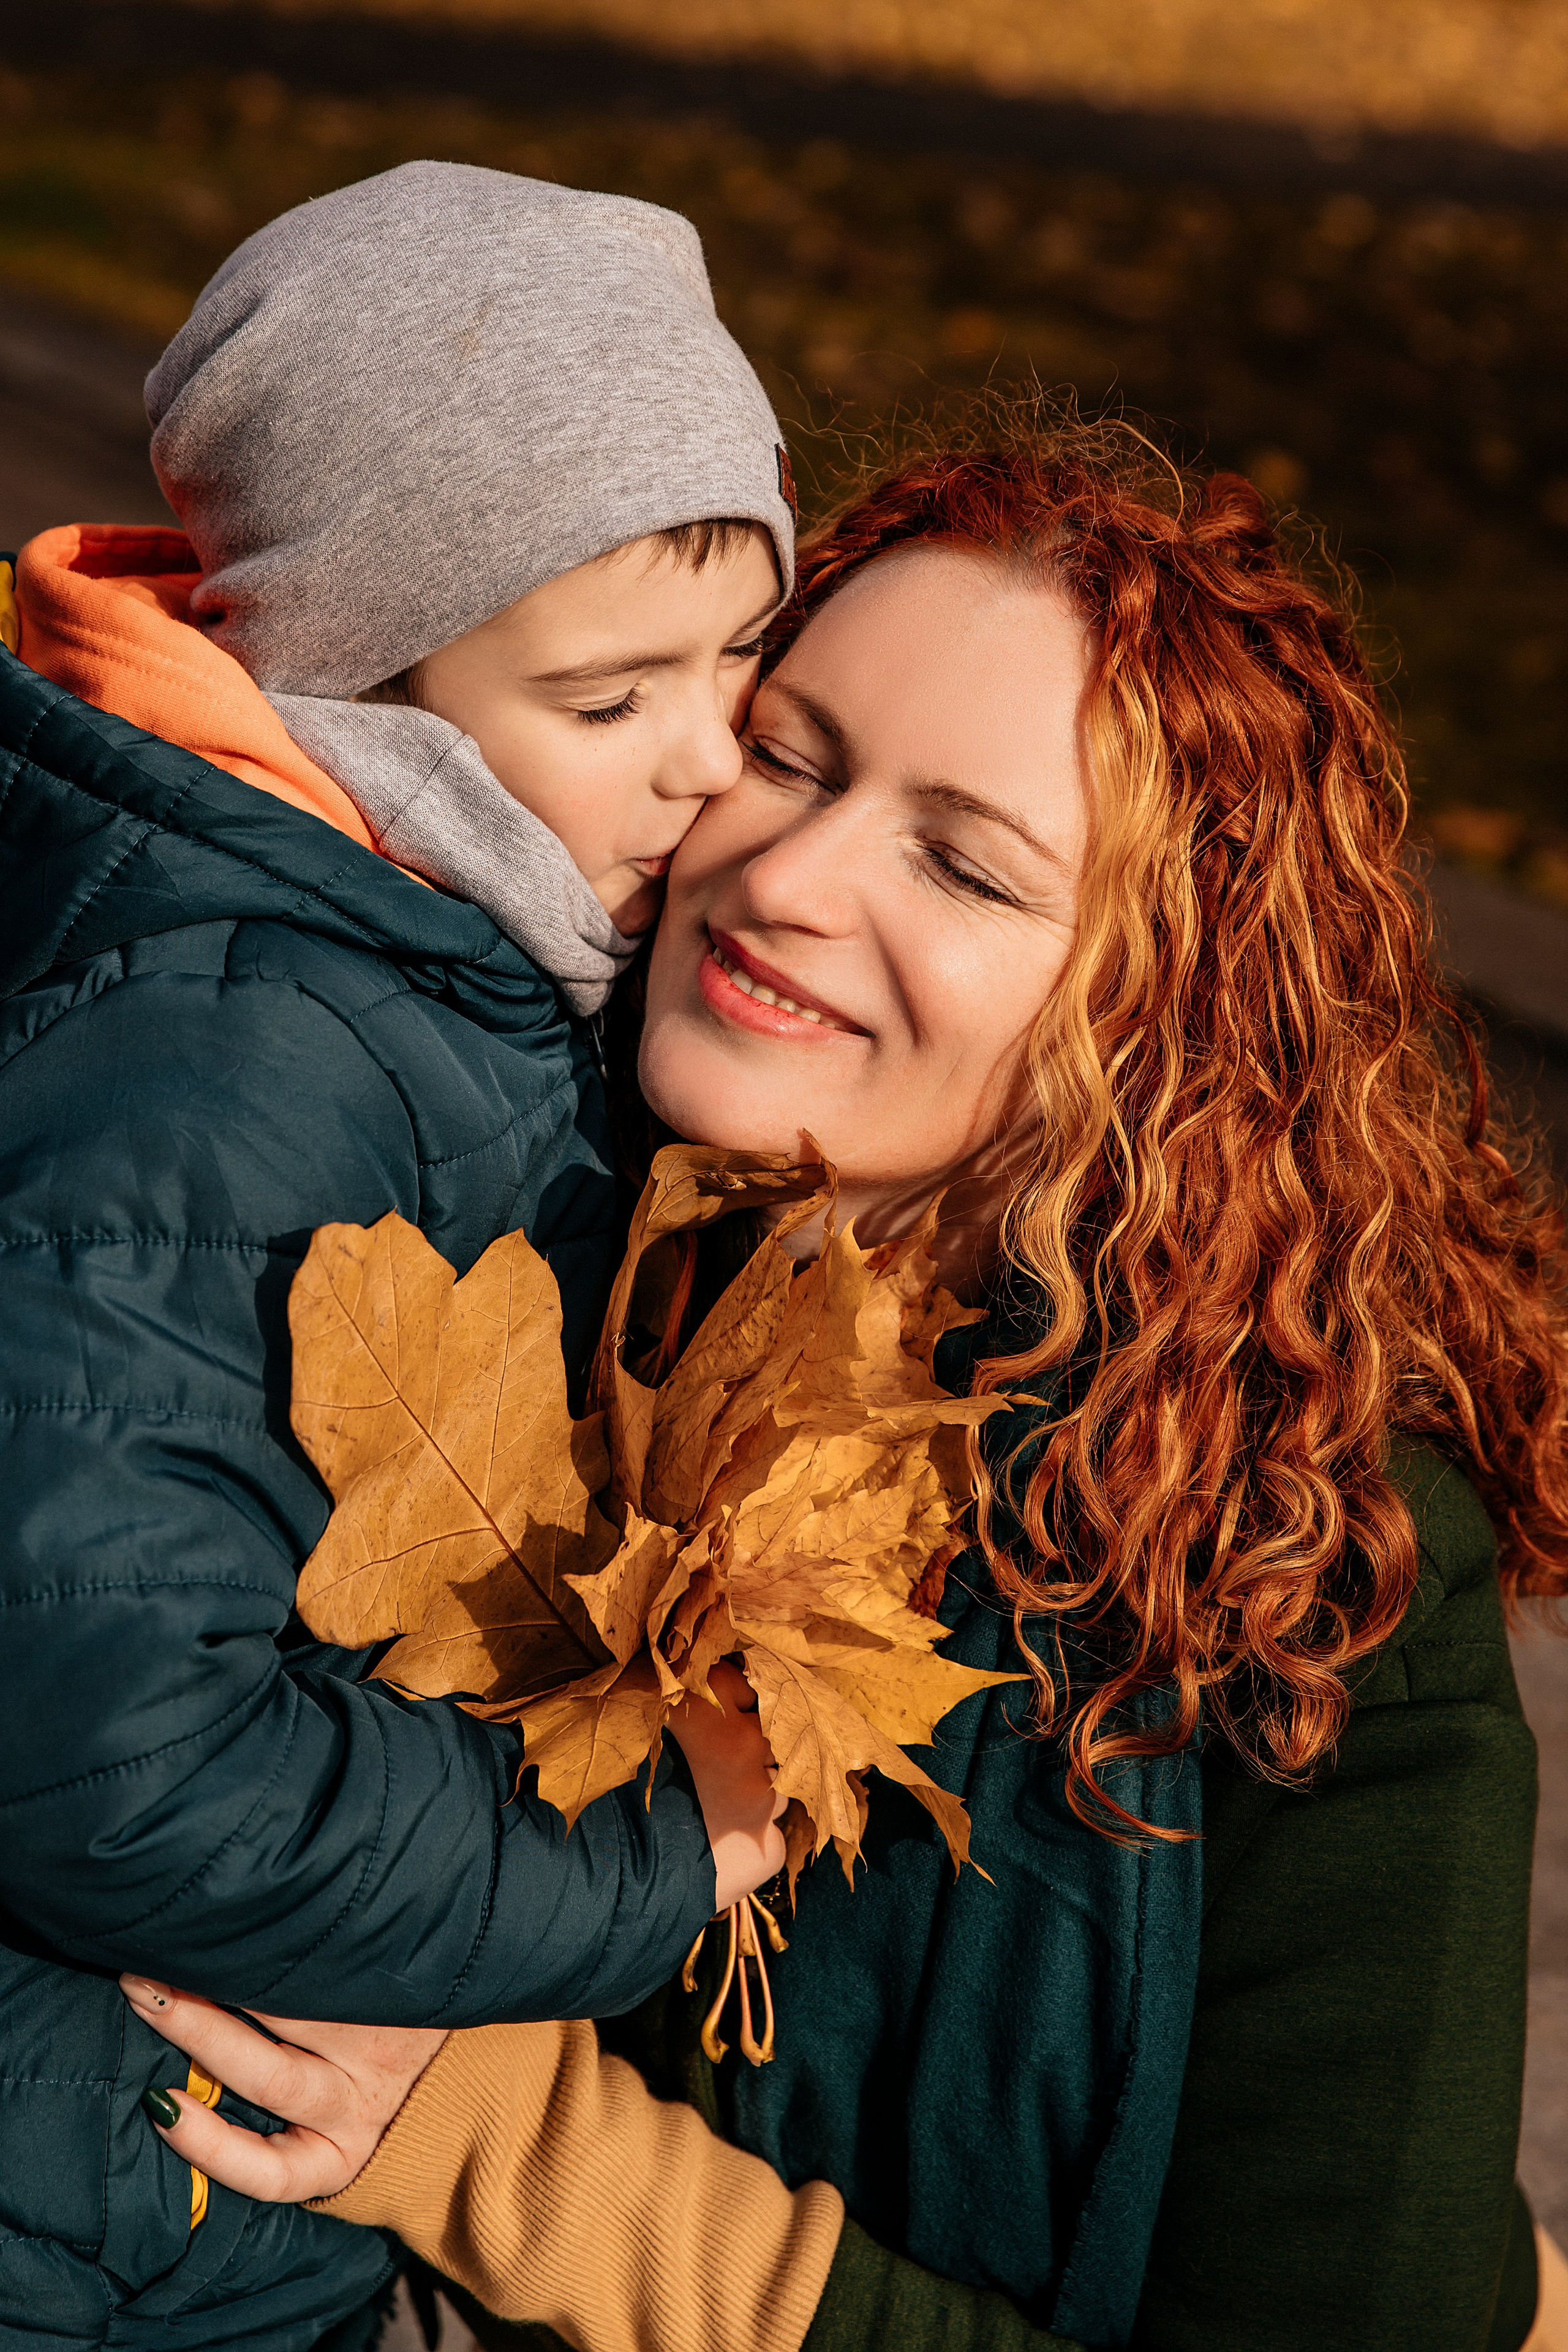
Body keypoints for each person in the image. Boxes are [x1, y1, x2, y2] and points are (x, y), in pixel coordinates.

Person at [131, 414, 1568, 2352]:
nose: (786, 874)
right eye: (786, 753)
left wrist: (516, 2158)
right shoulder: (536, 1250)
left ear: (1155, 1020)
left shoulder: (1319, 1568)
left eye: (965, 867)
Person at [0, 162, 796, 2348]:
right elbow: (101, 1750)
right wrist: (645, 1861)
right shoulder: (235, 1057)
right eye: (615, 696)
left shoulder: (432, 950)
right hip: (119, 2221)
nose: (712, 764)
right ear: (368, 683)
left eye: (743, 660)